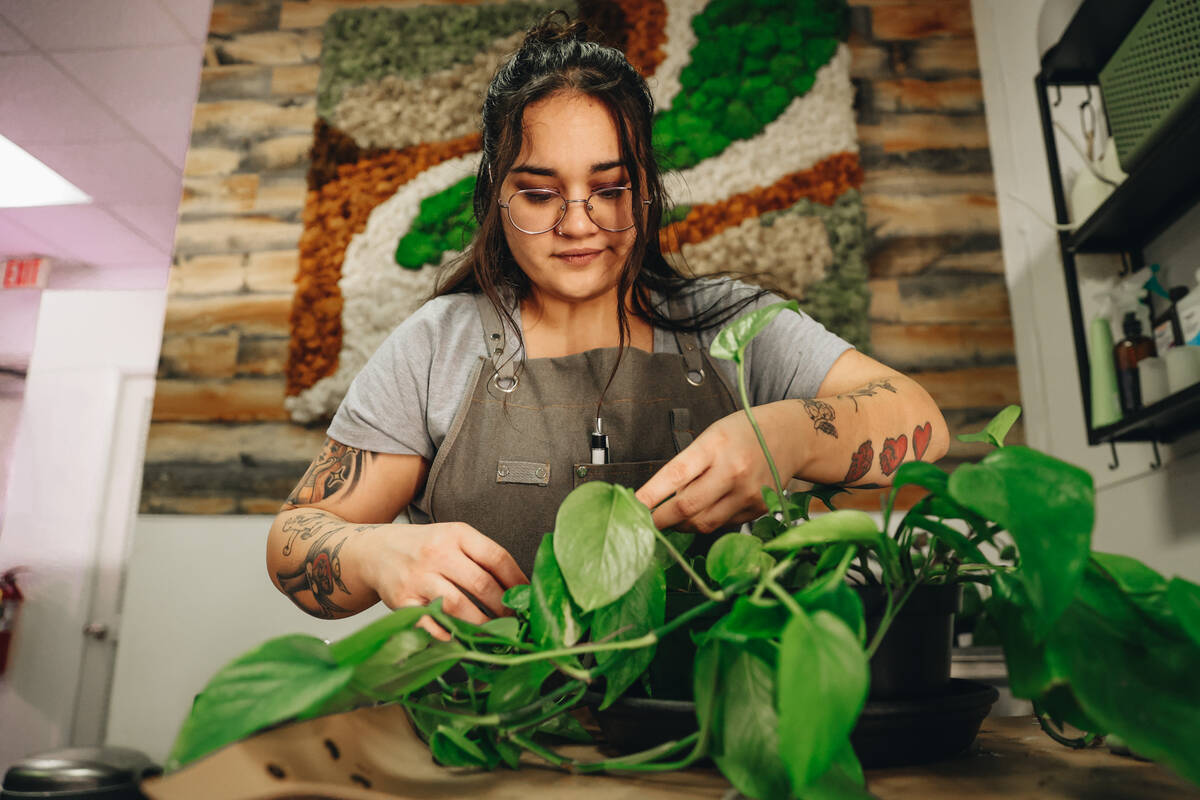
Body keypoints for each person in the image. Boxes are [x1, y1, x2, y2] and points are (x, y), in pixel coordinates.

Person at [267, 15, 948, 630]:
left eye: (610, 188)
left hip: (694, 738)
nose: (576, 223)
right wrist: (376, 551)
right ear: (495, 197)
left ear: (646, 189)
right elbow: (296, 535)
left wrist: (788, 435)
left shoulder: (733, 327)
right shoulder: (437, 345)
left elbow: (920, 421)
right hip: (487, 734)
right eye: (538, 193)